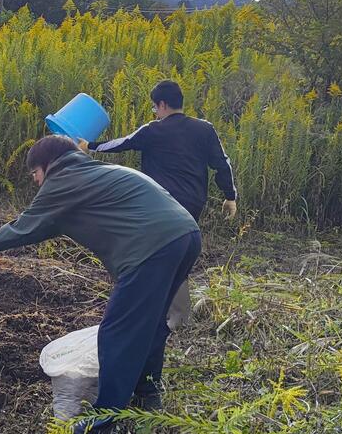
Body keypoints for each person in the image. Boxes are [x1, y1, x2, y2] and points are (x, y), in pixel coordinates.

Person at [0, 135, 200, 434]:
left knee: (117, 334)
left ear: (47, 166)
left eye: (34, 174)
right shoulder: (93, 173)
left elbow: (24, 225)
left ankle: (102, 427)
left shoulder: (64, 179)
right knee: (150, 326)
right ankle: (147, 397)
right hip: (185, 235)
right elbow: (42, 226)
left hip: (151, 248)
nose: (35, 182)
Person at [81, 80, 237, 332]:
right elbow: (222, 163)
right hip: (192, 204)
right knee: (176, 253)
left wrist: (89, 146)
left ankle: (165, 314)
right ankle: (175, 315)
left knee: (150, 254)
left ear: (162, 104)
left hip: (159, 204)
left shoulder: (154, 130)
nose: (155, 112)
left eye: (155, 108)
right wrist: (230, 196)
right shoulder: (204, 129)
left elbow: (122, 143)